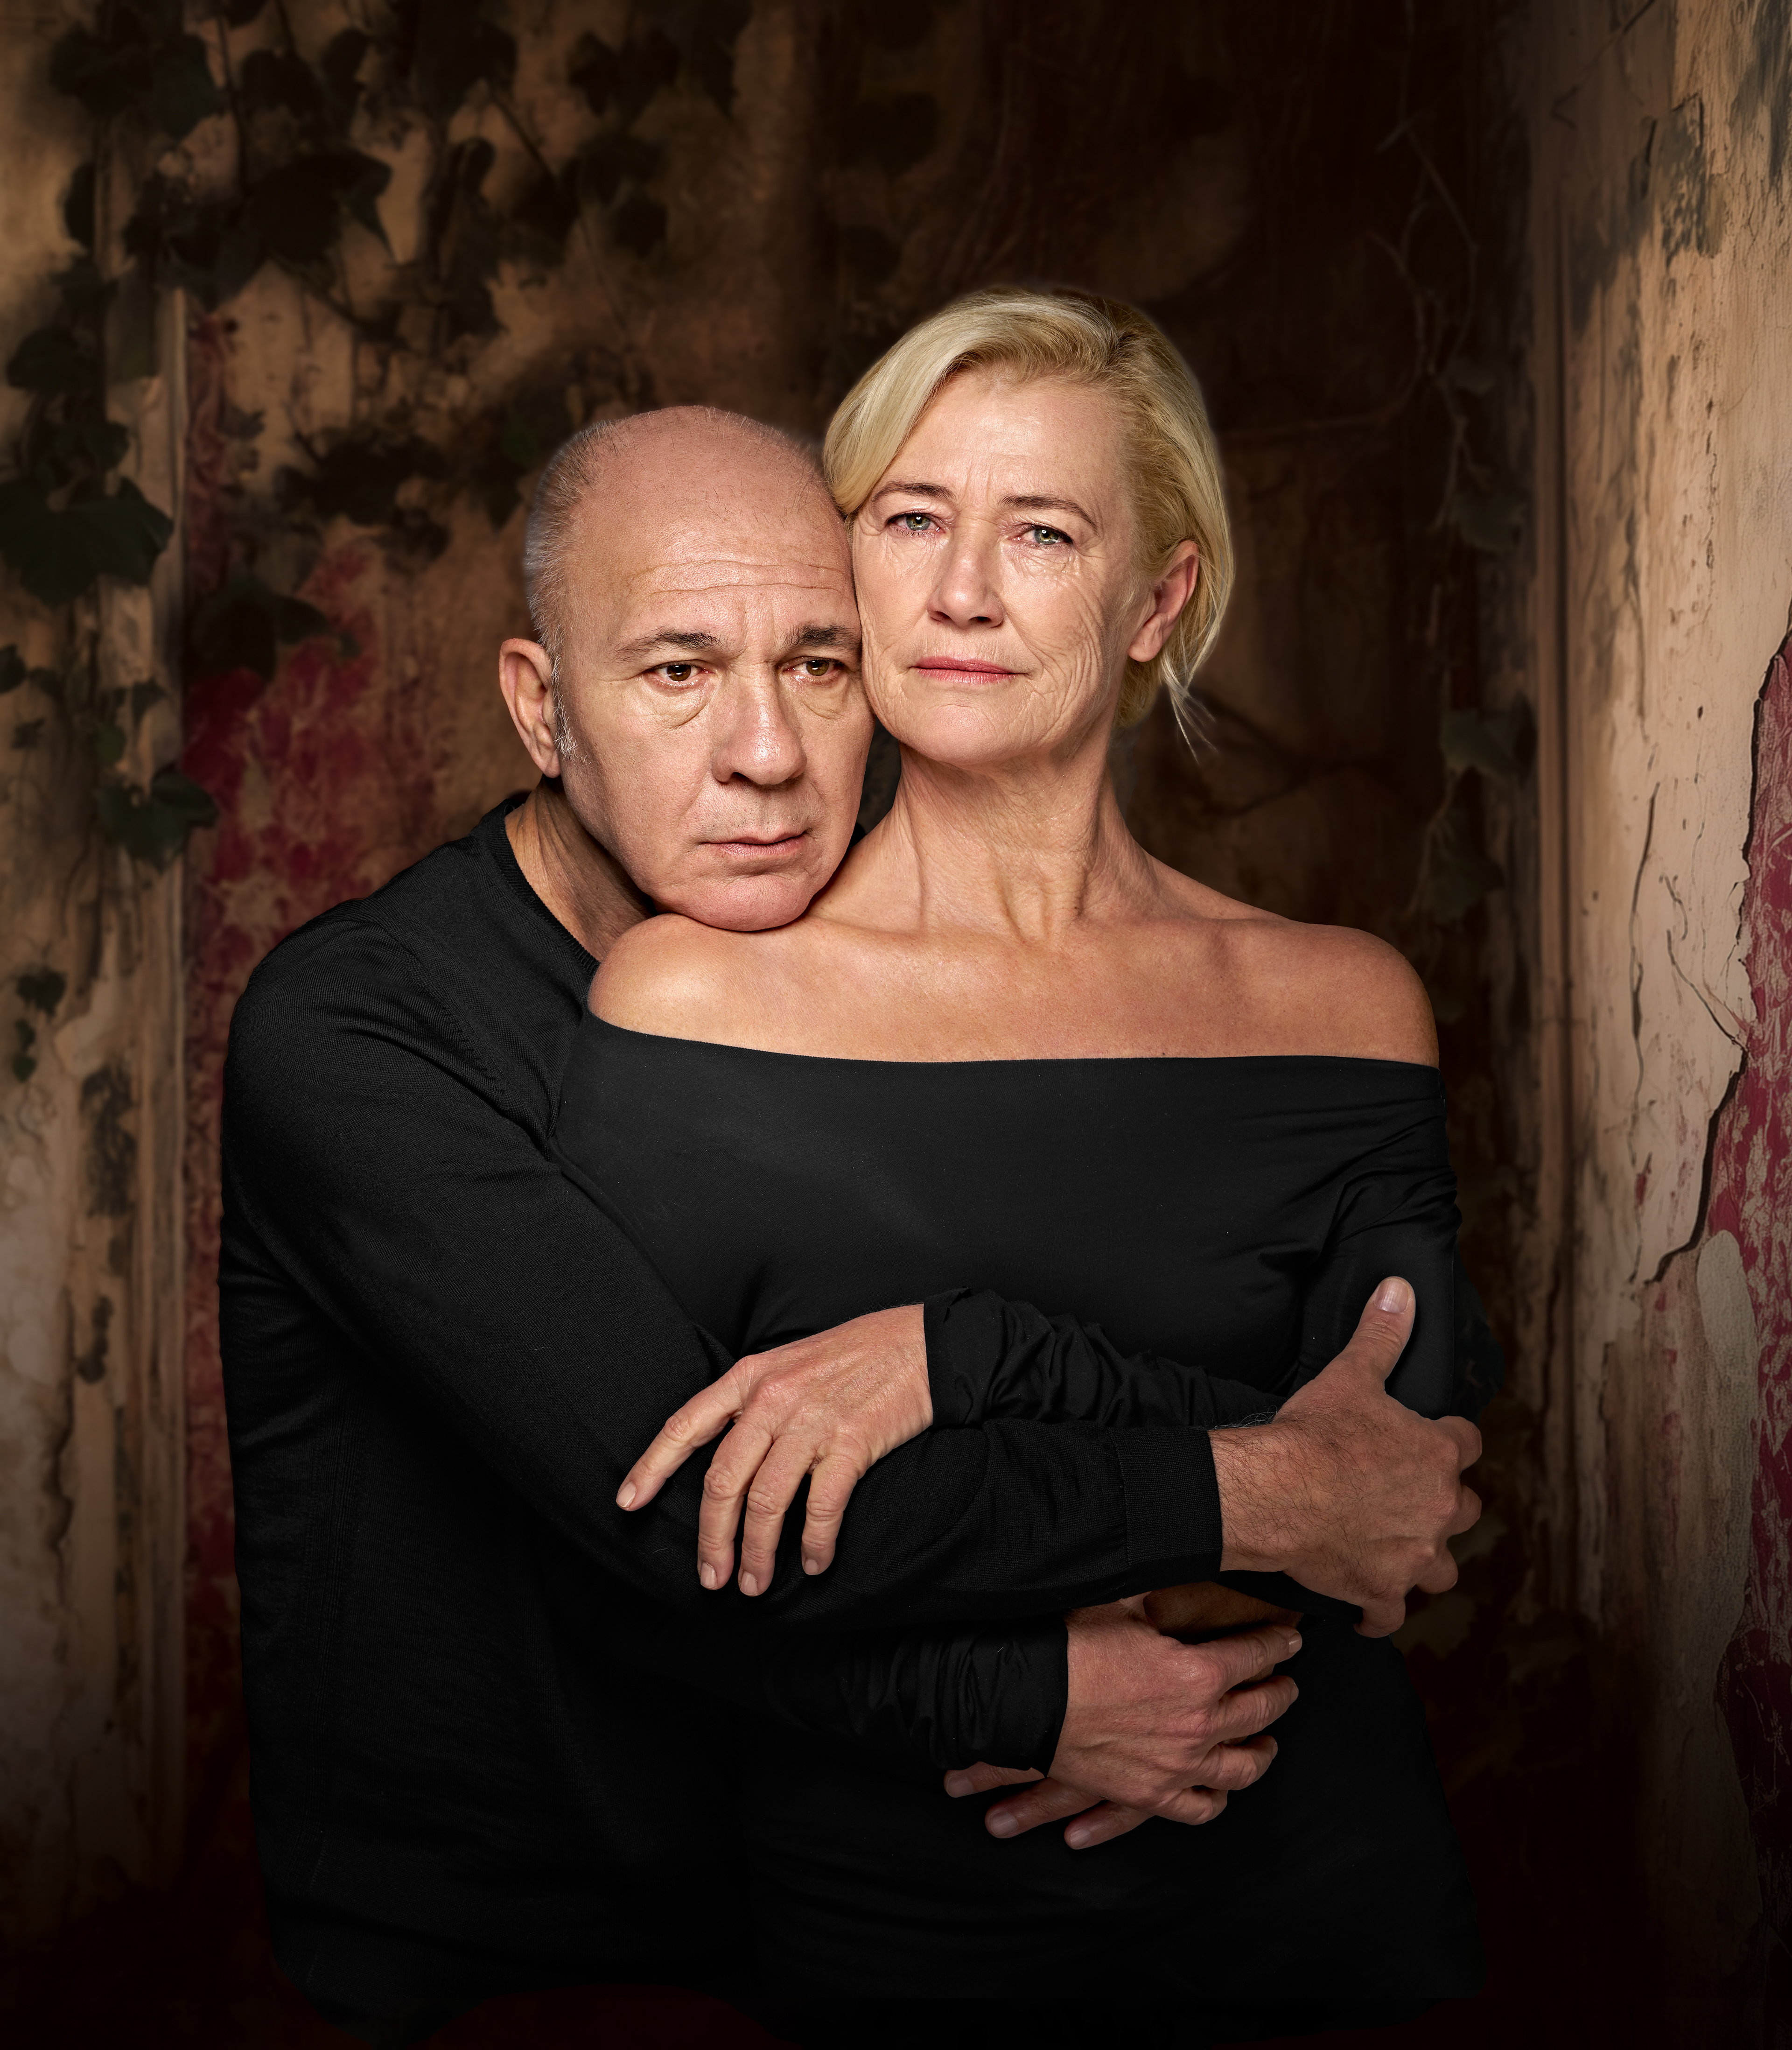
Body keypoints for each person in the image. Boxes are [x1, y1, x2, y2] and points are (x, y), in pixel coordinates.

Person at [221, 402, 1483, 2046]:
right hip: (511, 1945)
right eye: (678, 672)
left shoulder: (846, 1004)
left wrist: (968, 1376)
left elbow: (1035, 1413)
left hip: (808, 1909)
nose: (765, 753)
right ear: (543, 708)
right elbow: (693, 1508)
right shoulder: (362, 1032)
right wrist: (1112, 1621)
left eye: (819, 666)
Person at [565, 292, 1487, 2041]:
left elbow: (1389, 1501)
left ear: (1159, 600)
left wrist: (957, 1375)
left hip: (1319, 1895)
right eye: (913, 518)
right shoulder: (690, 1000)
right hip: (897, 1925)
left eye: (1043, 532)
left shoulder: (1340, 1005)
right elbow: (627, 1536)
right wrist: (1028, 1682)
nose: (963, 591)